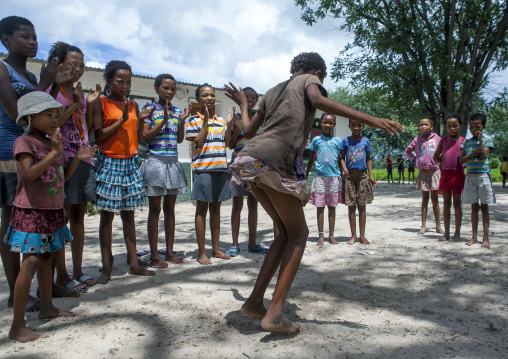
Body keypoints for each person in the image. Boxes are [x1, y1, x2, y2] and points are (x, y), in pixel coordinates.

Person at [225, 52, 403, 332]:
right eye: (323, 79)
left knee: (284, 233)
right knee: (299, 235)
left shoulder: (272, 91)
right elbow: (318, 100)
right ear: (318, 72)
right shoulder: (310, 79)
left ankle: (254, 302)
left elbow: (247, 129)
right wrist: (370, 118)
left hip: (250, 161)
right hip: (272, 163)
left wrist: (242, 105)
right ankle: (274, 314)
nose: (319, 85)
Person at [5, 91, 96, 342]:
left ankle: (47, 307)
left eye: (57, 114)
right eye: (49, 114)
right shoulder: (25, 143)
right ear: (31, 117)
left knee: (47, 259)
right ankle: (17, 324)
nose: (56, 119)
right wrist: (55, 153)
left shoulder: (50, 143)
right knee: (31, 261)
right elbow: (31, 173)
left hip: (53, 211)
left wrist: (76, 158)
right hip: (31, 212)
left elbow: (62, 178)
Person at [0, 15, 74, 311]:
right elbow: (15, 110)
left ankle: (45, 288)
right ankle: (15, 289)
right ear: (5, 39)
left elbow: (41, 107)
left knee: (43, 218)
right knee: (14, 220)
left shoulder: (30, 78)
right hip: (9, 152)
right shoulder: (2, 69)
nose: (32, 42)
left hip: (40, 150)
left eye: (35, 37)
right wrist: (46, 82)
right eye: (24, 36)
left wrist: (53, 87)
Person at [45, 42, 102, 292]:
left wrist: (87, 102)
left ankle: (78, 271)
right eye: (72, 64)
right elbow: (53, 124)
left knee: (79, 216)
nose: (77, 69)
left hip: (84, 158)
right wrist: (74, 104)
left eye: (81, 65)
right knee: (62, 218)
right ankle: (62, 275)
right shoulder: (51, 91)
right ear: (58, 64)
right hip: (63, 158)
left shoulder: (80, 94)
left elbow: (86, 128)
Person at [92, 60, 155, 283]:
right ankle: (106, 268)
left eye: (128, 81)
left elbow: (137, 135)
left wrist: (141, 119)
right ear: (109, 80)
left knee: (129, 214)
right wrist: (121, 119)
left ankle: (134, 264)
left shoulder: (133, 105)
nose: (125, 85)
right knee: (107, 216)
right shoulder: (101, 103)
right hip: (109, 161)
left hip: (130, 162)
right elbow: (98, 135)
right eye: (120, 81)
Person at [140, 74, 190, 267]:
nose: (169, 92)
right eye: (165, 88)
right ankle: (154, 255)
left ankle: (169, 252)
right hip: (155, 163)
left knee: (170, 210)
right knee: (155, 209)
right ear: (156, 89)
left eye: (172, 88)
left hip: (173, 162)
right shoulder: (150, 110)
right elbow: (145, 137)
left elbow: (178, 140)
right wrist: (163, 120)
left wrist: (182, 121)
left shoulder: (178, 111)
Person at [185, 84, 234, 265]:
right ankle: (201, 253)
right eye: (205, 95)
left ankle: (216, 249)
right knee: (202, 210)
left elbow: (227, 143)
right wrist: (205, 118)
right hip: (203, 169)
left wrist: (228, 124)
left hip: (220, 169)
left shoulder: (220, 121)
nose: (209, 98)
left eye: (212, 95)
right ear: (198, 99)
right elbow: (198, 141)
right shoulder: (193, 120)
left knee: (216, 210)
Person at [227, 87, 268, 257]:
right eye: (247, 97)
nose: (250, 100)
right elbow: (229, 145)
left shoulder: (261, 119)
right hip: (238, 166)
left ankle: (252, 243)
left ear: (257, 101)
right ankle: (235, 244)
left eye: (253, 97)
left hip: (256, 166)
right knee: (237, 205)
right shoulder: (234, 117)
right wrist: (235, 127)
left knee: (253, 205)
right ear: (240, 98)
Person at [459, 113, 495, 249]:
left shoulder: (487, 141)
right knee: (474, 207)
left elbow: (482, 156)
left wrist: (480, 141)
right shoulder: (466, 142)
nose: (474, 130)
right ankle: (474, 236)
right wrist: (472, 154)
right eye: (472, 127)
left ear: (483, 127)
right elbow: (461, 160)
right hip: (470, 176)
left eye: (477, 127)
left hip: (483, 176)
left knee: (484, 207)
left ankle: (485, 238)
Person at [305, 113, 342, 245]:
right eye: (325, 122)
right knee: (320, 206)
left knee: (332, 206)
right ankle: (321, 235)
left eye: (330, 123)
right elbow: (310, 159)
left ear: (334, 125)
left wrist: (343, 173)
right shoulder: (316, 140)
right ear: (321, 123)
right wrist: (306, 174)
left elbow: (340, 159)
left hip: (333, 178)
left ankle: (331, 235)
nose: (327, 125)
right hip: (320, 178)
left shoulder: (337, 141)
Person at [340, 119, 376, 245]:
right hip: (350, 177)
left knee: (362, 206)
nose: (356, 128)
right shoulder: (345, 141)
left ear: (363, 126)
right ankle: (353, 235)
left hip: (362, 177)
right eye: (353, 125)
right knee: (351, 206)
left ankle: (362, 236)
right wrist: (344, 169)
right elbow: (342, 158)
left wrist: (371, 176)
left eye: (359, 125)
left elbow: (369, 159)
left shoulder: (365, 141)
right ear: (349, 126)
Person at [405, 118, 443, 234]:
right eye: (421, 124)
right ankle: (423, 226)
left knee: (435, 199)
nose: (423, 126)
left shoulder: (437, 138)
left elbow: (443, 150)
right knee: (424, 200)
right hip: (423, 173)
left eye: (426, 124)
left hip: (435, 172)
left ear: (431, 126)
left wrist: (440, 158)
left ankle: (438, 226)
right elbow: (407, 151)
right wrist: (414, 159)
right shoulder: (417, 140)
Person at [433, 113, 465, 242]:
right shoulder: (443, 140)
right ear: (446, 127)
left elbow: (465, 157)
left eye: (455, 126)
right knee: (446, 204)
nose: (452, 128)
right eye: (449, 126)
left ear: (460, 126)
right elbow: (436, 157)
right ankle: (446, 233)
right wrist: (444, 163)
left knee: (457, 204)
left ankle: (457, 233)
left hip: (458, 175)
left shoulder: (463, 141)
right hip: (446, 174)